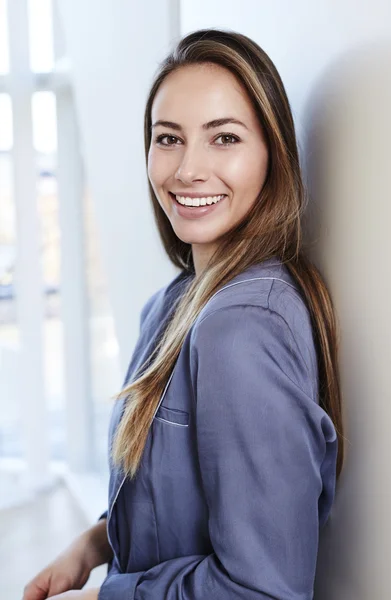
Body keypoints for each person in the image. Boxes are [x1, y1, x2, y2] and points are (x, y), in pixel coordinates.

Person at [23, 28, 344, 600]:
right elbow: (177, 496)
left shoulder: (242, 326)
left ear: (272, 154)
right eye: (168, 138)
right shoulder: (174, 301)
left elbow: (264, 590)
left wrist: (105, 597)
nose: (187, 170)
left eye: (224, 138)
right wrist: (95, 546)